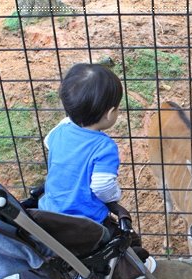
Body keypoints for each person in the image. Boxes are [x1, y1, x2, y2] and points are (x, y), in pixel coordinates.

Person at [38, 63, 143, 250]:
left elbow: (48, 142)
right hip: (85, 223)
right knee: (127, 241)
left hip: (48, 214)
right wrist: (114, 196)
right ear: (110, 113)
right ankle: (139, 269)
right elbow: (102, 186)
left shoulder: (59, 131)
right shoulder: (104, 147)